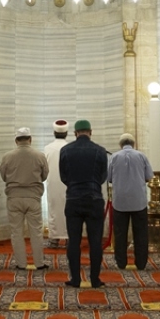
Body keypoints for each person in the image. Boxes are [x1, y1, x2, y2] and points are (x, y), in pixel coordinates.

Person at [58, 119, 108, 287]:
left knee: (74, 241)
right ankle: (95, 279)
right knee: (95, 242)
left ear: (75, 133)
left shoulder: (65, 150)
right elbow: (102, 177)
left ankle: (76, 279)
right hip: (94, 199)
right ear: (91, 132)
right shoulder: (100, 151)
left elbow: (64, 176)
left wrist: (74, 186)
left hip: (73, 199)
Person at [0, 127, 49, 270]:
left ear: (16, 141)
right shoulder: (39, 156)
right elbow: (44, 175)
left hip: (14, 197)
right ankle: (39, 263)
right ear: (30, 139)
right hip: (33, 197)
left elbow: (3, 176)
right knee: (36, 231)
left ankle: (21, 264)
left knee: (16, 232)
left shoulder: (7, 156)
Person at [107, 133, 153, 271]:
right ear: (134, 144)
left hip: (120, 201)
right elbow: (149, 176)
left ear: (120, 145)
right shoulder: (141, 156)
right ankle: (141, 264)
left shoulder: (114, 157)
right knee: (141, 233)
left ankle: (121, 263)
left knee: (120, 233)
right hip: (139, 200)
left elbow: (109, 178)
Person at [42, 119, 70, 248]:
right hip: (69, 184)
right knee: (69, 211)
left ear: (54, 133)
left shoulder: (47, 148)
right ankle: (70, 238)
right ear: (67, 133)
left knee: (53, 210)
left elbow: (43, 168)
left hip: (52, 184)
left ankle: (54, 240)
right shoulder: (71, 147)